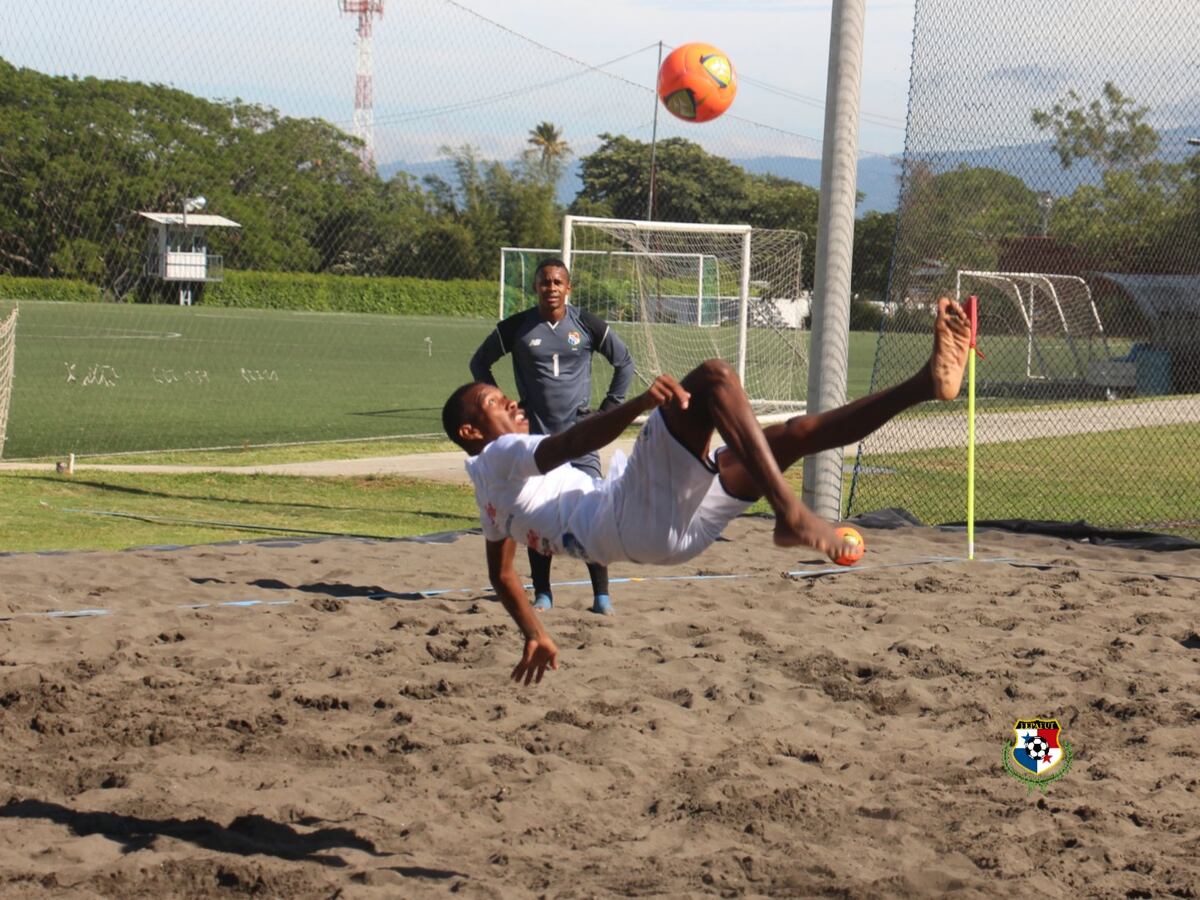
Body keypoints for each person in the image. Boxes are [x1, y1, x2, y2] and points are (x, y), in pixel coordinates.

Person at [445, 297, 973, 686]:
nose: (511, 402)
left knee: (791, 436)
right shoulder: (498, 455)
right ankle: (790, 514)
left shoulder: (488, 493)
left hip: (664, 536)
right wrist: (634, 407)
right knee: (716, 378)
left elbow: (501, 573)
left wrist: (534, 631)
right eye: (495, 400)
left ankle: (925, 385)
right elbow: (572, 441)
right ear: (473, 433)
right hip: (631, 514)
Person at [469, 258, 635, 616]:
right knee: (537, 513)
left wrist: (608, 408)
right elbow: (478, 363)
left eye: (558, 282)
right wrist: (504, 407)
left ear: (568, 287)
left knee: (593, 511)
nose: (552, 288)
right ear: (536, 288)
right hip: (538, 440)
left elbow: (625, 362)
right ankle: (543, 593)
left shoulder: (587, 324)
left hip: (581, 438)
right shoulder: (517, 327)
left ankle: (601, 596)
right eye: (545, 282)